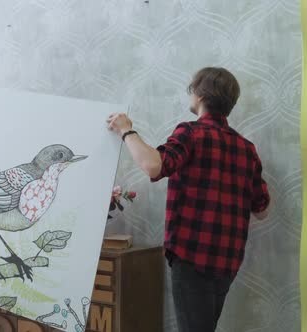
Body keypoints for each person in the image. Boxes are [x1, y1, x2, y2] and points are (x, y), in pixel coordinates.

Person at [106, 67, 270, 332]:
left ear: (201, 95)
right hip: (228, 260)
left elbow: (153, 166)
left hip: (192, 258)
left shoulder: (191, 133)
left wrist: (126, 130)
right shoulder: (246, 149)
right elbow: (262, 209)